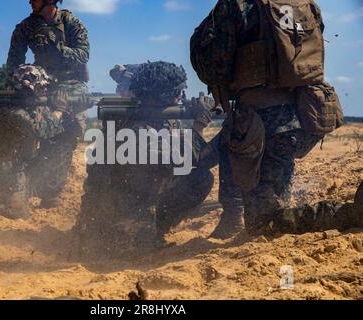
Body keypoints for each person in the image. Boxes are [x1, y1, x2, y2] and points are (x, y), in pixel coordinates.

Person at [191, 0, 358, 237]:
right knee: (267, 181)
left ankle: (345, 215)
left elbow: (215, 67)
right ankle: (240, 216)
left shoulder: (237, 5)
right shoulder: (306, 4)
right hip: (304, 114)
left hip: (262, 121)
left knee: (263, 223)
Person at [73, 61, 214, 256]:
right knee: (200, 179)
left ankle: (150, 230)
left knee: (199, 175)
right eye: (178, 92)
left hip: (111, 212)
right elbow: (178, 161)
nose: (182, 97)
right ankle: (146, 236)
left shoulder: (139, 117)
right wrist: (199, 124)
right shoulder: (139, 130)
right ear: (166, 95)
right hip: (117, 231)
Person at [6, 0, 90, 208]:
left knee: (68, 132)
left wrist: (59, 49)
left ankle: (51, 191)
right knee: (30, 128)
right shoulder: (26, 26)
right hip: (40, 80)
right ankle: (23, 184)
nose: (29, 1)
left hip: (71, 82)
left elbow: (84, 54)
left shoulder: (71, 22)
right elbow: (13, 61)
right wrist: (20, 84)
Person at [0, 64, 72, 219]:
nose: (44, 91)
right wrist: (60, 110)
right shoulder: (16, 113)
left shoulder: (13, 107)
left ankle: (45, 194)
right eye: (40, 87)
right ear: (28, 88)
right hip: (4, 173)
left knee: (59, 149)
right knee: (18, 213)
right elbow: (44, 131)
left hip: (2, 167)